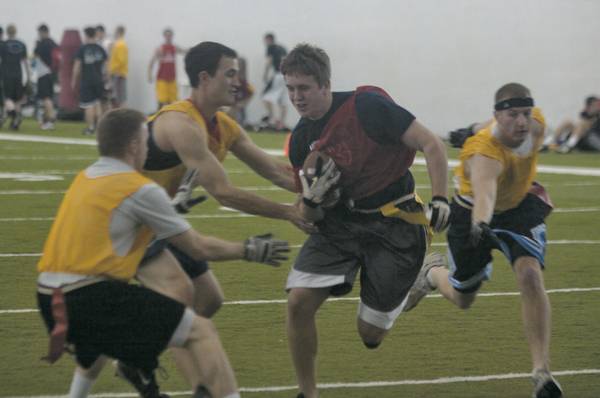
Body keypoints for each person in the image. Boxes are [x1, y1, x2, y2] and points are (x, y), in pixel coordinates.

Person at [39, 108, 289, 398]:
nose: (147, 147)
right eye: (145, 140)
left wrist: (168, 209)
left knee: (105, 342)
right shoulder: (140, 188)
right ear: (134, 145)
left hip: (49, 297)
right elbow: (198, 247)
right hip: (88, 297)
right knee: (201, 331)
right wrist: (248, 249)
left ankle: (130, 367)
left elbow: (119, 218)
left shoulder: (86, 178)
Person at [281, 44, 450, 398]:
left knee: (370, 335)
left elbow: (431, 143)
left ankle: (423, 280)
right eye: (290, 89)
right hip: (341, 225)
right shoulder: (300, 141)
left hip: (395, 224)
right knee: (298, 302)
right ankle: (307, 392)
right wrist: (311, 200)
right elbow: (309, 217)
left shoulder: (366, 108)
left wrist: (439, 198)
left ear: (325, 85)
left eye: (304, 88)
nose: (296, 97)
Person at [404, 83, 563, 398]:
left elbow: (491, 124)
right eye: (513, 115)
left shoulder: (536, 124)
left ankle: (541, 373)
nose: (521, 122)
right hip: (471, 214)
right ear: (499, 115)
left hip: (519, 209)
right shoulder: (483, 153)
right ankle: (432, 273)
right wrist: (480, 221)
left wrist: (469, 127)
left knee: (530, 275)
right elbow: (485, 192)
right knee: (463, 298)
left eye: (525, 114)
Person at [72, 26, 108, 135]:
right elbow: (107, 66)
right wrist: (107, 78)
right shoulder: (100, 49)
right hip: (99, 80)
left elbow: (77, 66)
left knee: (88, 105)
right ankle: (101, 128)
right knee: (99, 104)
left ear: (86, 35)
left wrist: (74, 80)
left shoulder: (82, 49)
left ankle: (91, 127)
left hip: (87, 80)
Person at [0, 24, 31, 130]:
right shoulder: (22, 44)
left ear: (7, 33)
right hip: (19, 74)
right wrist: (29, 76)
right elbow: (25, 62)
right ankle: (14, 123)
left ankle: (14, 115)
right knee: (17, 99)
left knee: (6, 98)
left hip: (6, 74)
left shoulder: (3, 44)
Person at [148, 28, 186, 109]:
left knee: (172, 101)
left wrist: (194, 50)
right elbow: (152, 61)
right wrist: (149, 75)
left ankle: (170, 118)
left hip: (172, 78)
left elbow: (184, 51)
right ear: (164, 36)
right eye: (167, 35)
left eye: (170, 35)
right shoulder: (160, 49)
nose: (168, 37)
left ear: (172, 36)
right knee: (162, 100)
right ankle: (158, 117)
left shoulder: (174, 48)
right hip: (162, 78)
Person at [261, 32, 288, 131]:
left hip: (277, 75)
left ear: (268, 40)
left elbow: (269, 61)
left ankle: (272, 119)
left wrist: (265, 74)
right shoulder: (283, 48)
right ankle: (281, 123)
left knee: (265, 97)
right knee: (282, 101)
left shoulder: (270, 47)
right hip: (286, 76)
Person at [34, 23, 58, 130]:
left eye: (39, 33)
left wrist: (37, 45)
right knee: (48, 98)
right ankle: (47, 121)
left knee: (45, 98)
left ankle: (51, 119)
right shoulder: (53, 43)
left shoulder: (42, 43)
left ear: (43, 32)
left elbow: (35, 55)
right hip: (52, 73)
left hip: (43, 73)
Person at [226, 56, 254, 126]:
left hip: (238, 108)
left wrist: (243, 103)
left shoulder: (244, 83)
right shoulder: (230, 79)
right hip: (232, 106)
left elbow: (251, 93)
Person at [108, 25, 128, 108]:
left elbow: (121, 60)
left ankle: (123, 116)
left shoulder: (120, 45)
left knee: (120, 98)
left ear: (119, 32)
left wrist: (115, 70)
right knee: (118, 97)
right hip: (118, 73)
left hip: (118, 74)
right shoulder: (119, 44)